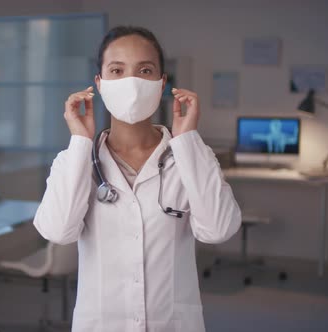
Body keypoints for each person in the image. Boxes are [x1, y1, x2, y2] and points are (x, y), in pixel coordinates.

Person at [33, 26, 241, 331]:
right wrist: (80, 141)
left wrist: (188, 139)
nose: (131, 83)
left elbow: (219, 230)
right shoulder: (76, 161)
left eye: (145, 70)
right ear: (99, 84)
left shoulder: (190, 157)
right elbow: (58, 232)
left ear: (161, 83)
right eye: (117, 70)